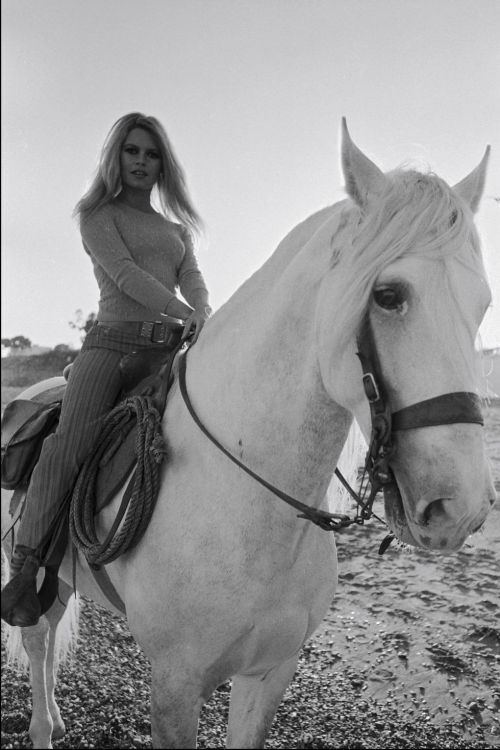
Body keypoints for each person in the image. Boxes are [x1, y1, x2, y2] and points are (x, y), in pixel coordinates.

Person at [1, 113, 212, 627]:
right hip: (110, 350)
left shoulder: (176, 229)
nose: (141, 161)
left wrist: (203, 312)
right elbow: (125, 275)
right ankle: (26, 567)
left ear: (164, 164)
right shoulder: (97, 214)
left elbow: (193, 277)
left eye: (151, 153)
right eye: (132, 151)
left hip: (165, 352)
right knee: (69, 444)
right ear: (116, 157)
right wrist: (182, 312)